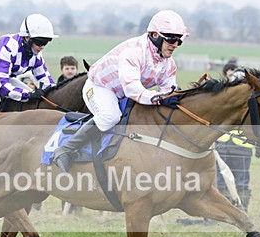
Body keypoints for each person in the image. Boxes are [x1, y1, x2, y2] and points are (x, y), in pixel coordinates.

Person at [51, 9, 188, 172]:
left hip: (124, 93)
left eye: (179, 41)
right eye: (171, 40)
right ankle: (65, 149)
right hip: (100, 87)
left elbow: (169, 91)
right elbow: (133, 90)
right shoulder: (135, 52)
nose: (175, 45)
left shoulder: (169, 64)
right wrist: (159, 97)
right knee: (110, 116)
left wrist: (174, 97)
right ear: (155, 36)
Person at [0, 13, 57, 116]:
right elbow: (1, 85)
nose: (42, 47)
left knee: (32, 101)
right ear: (27, 38)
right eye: (39, 42)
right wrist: (28, 95)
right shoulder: (8, 47)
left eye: (46, 42)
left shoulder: (37, 56)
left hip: (0, 75)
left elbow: (48, 83)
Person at [214, 60, 258, 211]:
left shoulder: (252, 102)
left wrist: (258, 145)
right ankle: (224, 211)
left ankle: (242, 211)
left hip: (242, 148)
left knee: (242, 181)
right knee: (220, 181)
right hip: (222, 146)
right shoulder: (222, 97)